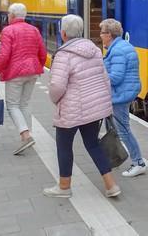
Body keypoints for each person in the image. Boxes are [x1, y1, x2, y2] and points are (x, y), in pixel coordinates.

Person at [44, 14, 120, 199]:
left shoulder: (63, 54)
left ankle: (64, 187)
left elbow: (57, 86)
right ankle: (111, 185)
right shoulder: (94, 49)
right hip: (93, 108)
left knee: (64, 146)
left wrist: (55, 100)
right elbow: (104, 79)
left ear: (63, 34)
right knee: (93, 144)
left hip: (72, 109)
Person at [0, 3, 46, 155]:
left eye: (8, 14)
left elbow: (3, 56)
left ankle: (25, 135)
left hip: (16, 73)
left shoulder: (8, 30)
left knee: (12, 105)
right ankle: (28, 135)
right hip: (33, 71)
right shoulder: (34, 30)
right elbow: (43, 52)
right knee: (25, 103)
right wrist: (38, 66)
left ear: (12, 16)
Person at [99, 18, 146, 177]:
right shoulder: (122, 46)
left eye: (102, 33)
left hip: (120, 95)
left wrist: (98, 76)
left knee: (123, 130)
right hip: (122, 93)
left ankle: (138, 162)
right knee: (114, 128)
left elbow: (116, 77)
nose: (100, 36)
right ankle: (115, 156)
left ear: (109, 34)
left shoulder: (117, 50)